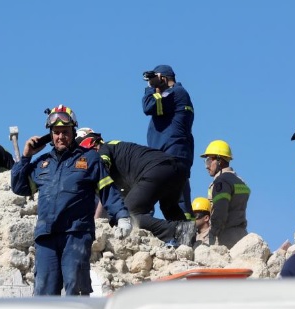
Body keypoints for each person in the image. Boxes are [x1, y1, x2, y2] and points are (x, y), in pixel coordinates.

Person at [11, 105, 132, 296]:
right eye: (56, 132)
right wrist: (26, 156)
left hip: (76, 234)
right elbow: (19, 187)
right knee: (43, 292)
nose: (60, 137)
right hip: (46, 236)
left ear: (73, 132)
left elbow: (107, 189)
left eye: (65, 132)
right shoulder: (43, 164)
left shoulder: (89, 159)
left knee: (75, 287)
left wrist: (121, 215)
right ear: (50, 135)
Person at [75, 128, 195, 246]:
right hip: (176, 169)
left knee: (128, 215)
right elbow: (115, 198)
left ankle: (176, 231)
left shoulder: (103, 149)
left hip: (156, 170)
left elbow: (103, 174)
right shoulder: (118, 155)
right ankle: (190, 237)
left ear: (89, 143)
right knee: (169, 208)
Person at [142, 64, 195, 219]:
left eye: (154, 78)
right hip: (169, 154)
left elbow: (148, 107)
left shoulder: (176, 93)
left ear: (163, 78)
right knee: (170, 199)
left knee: (177, 200)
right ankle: (180, 234)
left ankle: (186, 235)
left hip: (172, 153)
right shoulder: (175, 94)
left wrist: (151, 89)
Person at [201, 140, 250, 249]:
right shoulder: (239, 180)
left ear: (219, 160)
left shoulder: (222, 181)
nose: (206, 166)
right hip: (241, 235)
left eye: (209, 161)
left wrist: (212, 234)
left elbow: (220, 211)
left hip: (226, 237)